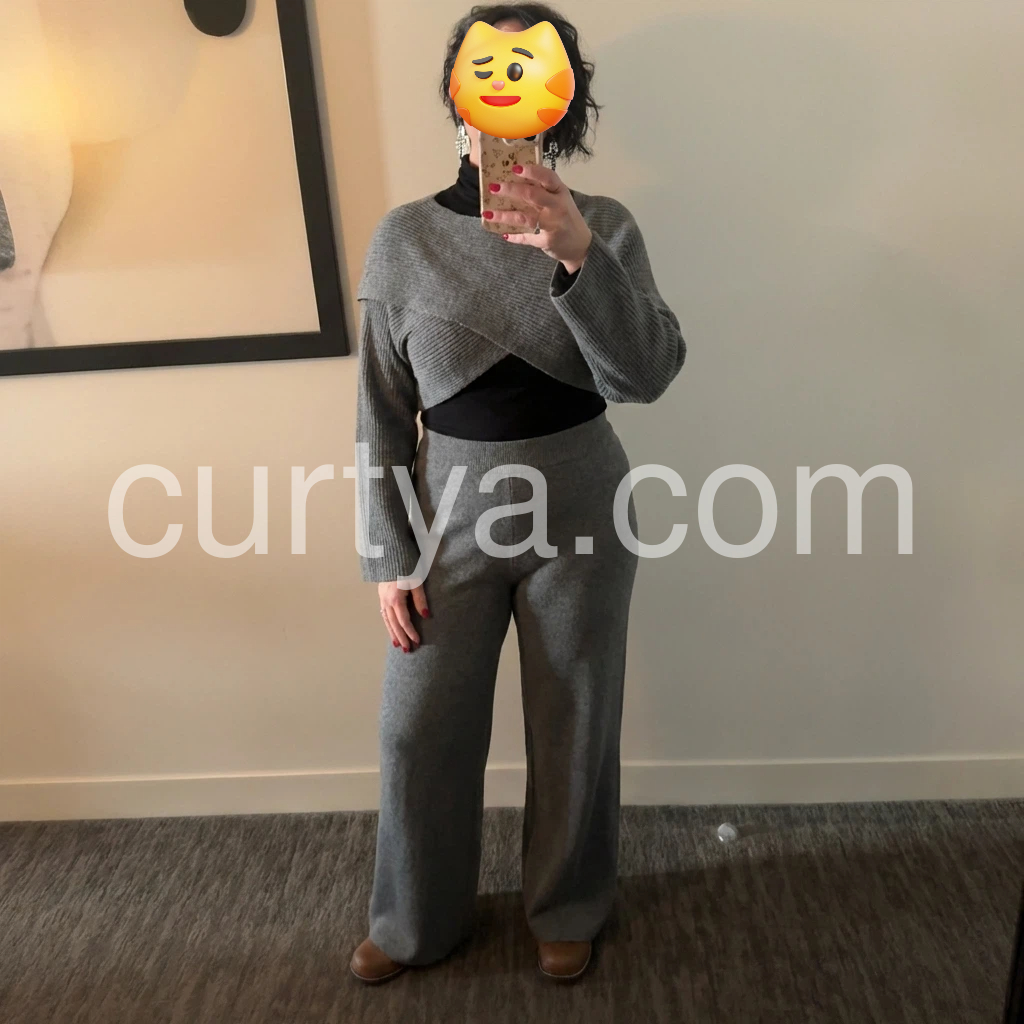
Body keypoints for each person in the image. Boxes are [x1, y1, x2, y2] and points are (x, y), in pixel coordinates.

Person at [350, 3, 685, 985]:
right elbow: (379, 410)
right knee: (416, 728)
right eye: (484, 73)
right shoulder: (405, 238)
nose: (504, 95)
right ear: (457, 97)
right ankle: (414, 919)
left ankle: (568, 905)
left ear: (563, 102)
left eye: (532, 75)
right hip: (447, 512)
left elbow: (647, 374)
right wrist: (388, 554)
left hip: (583, 502)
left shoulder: (605, 224)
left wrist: (576, 251)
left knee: (576, 717)